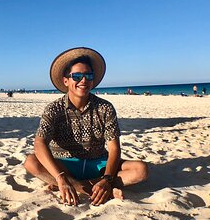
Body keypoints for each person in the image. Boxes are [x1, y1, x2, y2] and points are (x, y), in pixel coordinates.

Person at [24, 47, 148, 206]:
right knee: (31, 162)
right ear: (66, 81)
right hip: (65, 165)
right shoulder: (54, 109)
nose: (83, 80)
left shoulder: (105, 108)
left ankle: (92, 186)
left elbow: (114, 148)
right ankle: (88, 188)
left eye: (88, 76)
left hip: (98, 165)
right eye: (77, 76)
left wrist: (107, 179)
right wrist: (61, 177)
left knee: (141, 170)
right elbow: (40, 143)